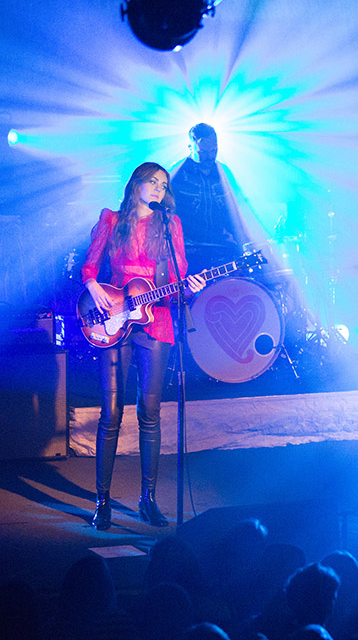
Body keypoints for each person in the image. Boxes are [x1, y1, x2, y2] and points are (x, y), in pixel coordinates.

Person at [82, 162, 207, 530]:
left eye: (163, 184)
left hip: (157, 319)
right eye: (152, 181)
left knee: (150, 413)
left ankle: (147, 500)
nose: (157, 188)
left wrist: (191, 286)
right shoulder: (110, 220)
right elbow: (89, 270)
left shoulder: (170, 225)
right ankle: (102, 502)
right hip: (114, 317)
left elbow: (180, 277)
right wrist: (94, 291)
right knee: (110, 414)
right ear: (136, 184)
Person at [170, 123, 249, 270]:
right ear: (190, 147)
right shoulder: (177, 174)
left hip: (223, 248)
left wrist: (243, 243)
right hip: (189, 251)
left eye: (214, 150)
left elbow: (237, 211)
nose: (210, 156)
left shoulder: (224, 172)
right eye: (203, 152)